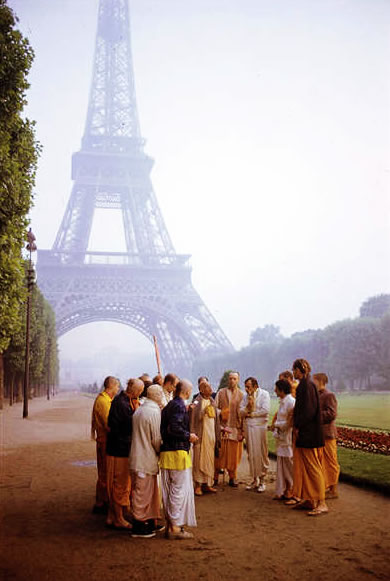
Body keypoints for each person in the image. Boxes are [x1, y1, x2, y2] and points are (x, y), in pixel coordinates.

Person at [285, 359, 328, 516]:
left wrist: (297, 426)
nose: (293, 373)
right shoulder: (306, 385)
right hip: (306, 433)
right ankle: (311, 499)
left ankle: (322, 502)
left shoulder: (307, 386)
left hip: (308, 434)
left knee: (313, 467)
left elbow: (308, 411)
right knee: (306, 468)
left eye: (294, 370)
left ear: (300, 369)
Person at [160, 379, 198, 539]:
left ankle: (171, 524)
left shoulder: (170, 405)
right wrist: (189, 436)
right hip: (177, 453)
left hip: (167, 453)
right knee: (178, 491)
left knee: (170, 491)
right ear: (187, 392)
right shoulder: (179, 406)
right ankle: (175, 527)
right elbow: (174, 428)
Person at [105, 378, 144, 529]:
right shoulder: (122, 404)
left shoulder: (121, 400)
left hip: (116, 447)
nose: (140, 394)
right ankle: (118, 518)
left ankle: (112, 515)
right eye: (140, 392)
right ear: (135, 391)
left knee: (118, 483)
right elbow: (130, 426)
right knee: (120, 484)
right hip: (119, 449)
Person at [129, 384, 164, 538]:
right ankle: (138, 525)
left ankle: (149, 520)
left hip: (137, 457)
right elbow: (156, 438)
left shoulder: (140, 409)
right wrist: (161, 451)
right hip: (146, 458)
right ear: (156, 395)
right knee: (142, 493)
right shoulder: (154, 412)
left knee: (147, 491)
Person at [90, 376, 119, 513]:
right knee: (104, 473)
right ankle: (101, 502)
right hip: (104, 441)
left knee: (105, 472)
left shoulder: (105, 400)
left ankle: (102, 500)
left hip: (105, 440)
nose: (118, 389)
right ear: (111, 386)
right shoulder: (103, 401)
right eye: (117, 387)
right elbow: (109, 424)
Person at [189, 380, 220, 496]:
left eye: (210, 386)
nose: (210, 388)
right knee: (198, 461)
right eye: (206, 387)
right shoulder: (197, 401)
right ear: (201, 390)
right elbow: (193, 416)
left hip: (211, 436)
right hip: (200, 436)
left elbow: (217, 419)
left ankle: (207, 484)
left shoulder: (212, 401)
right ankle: (198, 485)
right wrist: (203, 412)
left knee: (209, 460)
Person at [240, 377, 270, 492]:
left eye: (249, 387)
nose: (247, 389)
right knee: (251, 454)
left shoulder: (264, 394)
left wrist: (252, 414)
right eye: (246, 387)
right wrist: (247, 408)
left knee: (261, 453)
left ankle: (262, 480)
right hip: (249, 427)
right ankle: (254, 479)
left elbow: (265, 410)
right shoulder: (245, 397)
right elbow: (240, 411)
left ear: (255, 386)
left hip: (260, 427)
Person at [313, 373, 340, 499]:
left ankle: (333, 489)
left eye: (314, 381)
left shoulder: (329, 395)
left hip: (328, 434)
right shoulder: (317, 395)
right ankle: (325, 487)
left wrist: (315, 415)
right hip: (319, 434)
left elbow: (332, 414)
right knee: (321, 462)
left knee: (331, 462)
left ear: (320, 381)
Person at [215, 371, 244, 487]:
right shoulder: (221, 393)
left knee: (233, 455)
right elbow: (214, 408)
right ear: (228, 380)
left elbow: (243, 415)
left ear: (238, 380)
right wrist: (221, 413)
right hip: (222, 428)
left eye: (234, 379)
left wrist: (243, 432)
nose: (232, 381)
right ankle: (215, 477)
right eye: (230, 378)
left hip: (235, 429)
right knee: (219, 454)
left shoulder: (242, 395)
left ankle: (233, 477)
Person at [272, 379, 295, 500]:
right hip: (281, 438)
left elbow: (290, 423)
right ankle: (283, 489)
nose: (275, 390)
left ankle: (291, 489)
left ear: (281, 390)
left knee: (288, 465)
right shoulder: (282, 402)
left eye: (276, 388)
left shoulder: (291, 402)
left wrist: (277, 424)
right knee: (281, 464)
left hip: (287, 438)